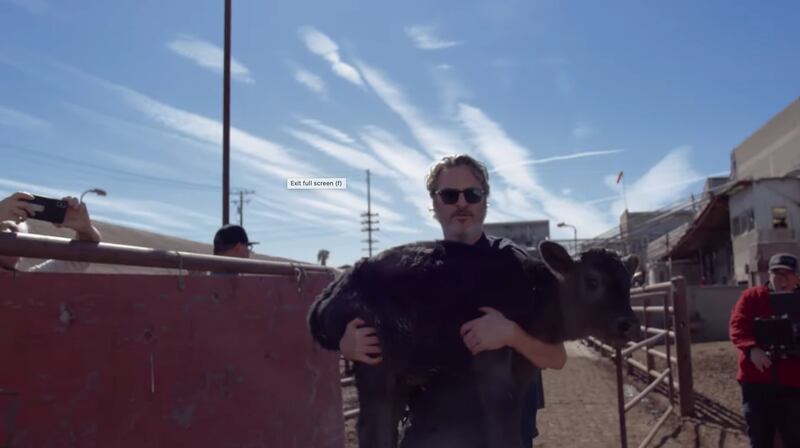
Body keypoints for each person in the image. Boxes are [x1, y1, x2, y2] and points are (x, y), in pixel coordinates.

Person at [337, 154, 566, 447]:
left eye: (472, 194)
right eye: (449, 194)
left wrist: (511, 334)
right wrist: (349, 344)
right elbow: (368, 330)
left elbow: (556, 357)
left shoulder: (518, 267)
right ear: (434, 204)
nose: (462, 203)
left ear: (485, 201)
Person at [729, 252, 800, 448]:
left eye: (787, 274)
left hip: (794, 378)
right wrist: (751, 349)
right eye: (777, 274)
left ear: (797, 277)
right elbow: (737, 326)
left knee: (794, 433)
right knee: (759, 434)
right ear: (768, 275)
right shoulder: (751, 297)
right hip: (757, 376)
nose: (782, 280)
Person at [0, 191, 101, 273]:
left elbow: (80, 259)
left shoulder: (29, 284)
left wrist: (85, 230)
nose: (6, 232)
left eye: (13, 231)